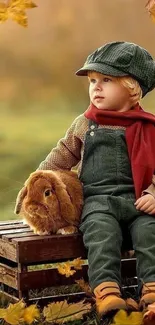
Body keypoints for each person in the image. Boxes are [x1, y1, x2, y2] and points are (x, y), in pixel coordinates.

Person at [36, 42, 155, 316]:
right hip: (98, 201)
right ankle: (108, 291)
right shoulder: (85, 123)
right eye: (92, 81)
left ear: (132, 87)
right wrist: (39, 181)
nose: (96, 87)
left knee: (149, 233)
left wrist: (153, 195)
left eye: (106, 79)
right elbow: (61, 155)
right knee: (101, 234)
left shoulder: (148, 127)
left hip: (139, 200)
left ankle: (150, 291)